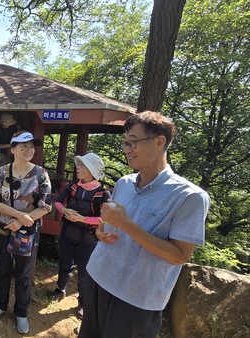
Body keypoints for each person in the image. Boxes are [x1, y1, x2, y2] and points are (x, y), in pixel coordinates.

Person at [79, 111, 210, 338]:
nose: (127, 149)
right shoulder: (125, 183)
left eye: (133, 142)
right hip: (99, 276)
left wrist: (126, 224)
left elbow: (179, 256)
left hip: (136, 298)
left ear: (159, 142)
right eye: (125, 143)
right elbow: (111, 224)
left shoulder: (189, 196)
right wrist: (102, 230)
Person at [0, 131, 53, 334]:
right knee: (3, 269)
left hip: (28, 232)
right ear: (12, 149)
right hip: (3, 229)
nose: (28, 150)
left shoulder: (41, 174)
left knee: (24, 274)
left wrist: (25, 221)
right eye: (23, 145)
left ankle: (21, 312)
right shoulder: (1, 172)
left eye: (32, 146)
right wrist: (17, 217)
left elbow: (46, 205)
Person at [49, 153, 111, 319]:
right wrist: (64, 210)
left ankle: (82, 302)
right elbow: (58, 202)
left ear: (91, 170)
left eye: (82, 166)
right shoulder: (72, 187)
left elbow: (104, 220)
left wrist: (82, 219)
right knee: (64, 264)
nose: (78, 168)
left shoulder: (102, 194)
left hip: (89, 239)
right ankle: (60, 290)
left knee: (84, 272)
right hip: (68, 233)